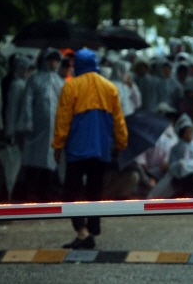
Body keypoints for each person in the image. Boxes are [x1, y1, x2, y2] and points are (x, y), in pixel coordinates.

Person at [52, 48, 128, 250]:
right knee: (95, 190)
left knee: (70, 193)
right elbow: (118, 121)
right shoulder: (109, 88)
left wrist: (58, 145)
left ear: (77, 66)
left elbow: (63, 120)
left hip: (76, 150)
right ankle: (93, 227)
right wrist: (120, 144)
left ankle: (82, 232)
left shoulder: (71, 87)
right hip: (101, 149)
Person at [20, 47, 65, 202]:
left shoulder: (60, 81)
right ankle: (30, 191)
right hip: (37, 127)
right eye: (50, 60)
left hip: (54, 128)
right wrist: (28, 121)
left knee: (51, 159)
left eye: (56, 60)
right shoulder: (35, 78)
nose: (53, 63)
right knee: (34, 159)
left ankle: (45, 192)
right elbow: (27, 101)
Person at [146, 114, 193, 199]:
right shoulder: (175, 148)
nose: (189, 135)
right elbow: (172, 163)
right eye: (187, 132)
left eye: (190, 132)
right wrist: (179, 165)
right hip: (178, 174)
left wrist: (190, 165)